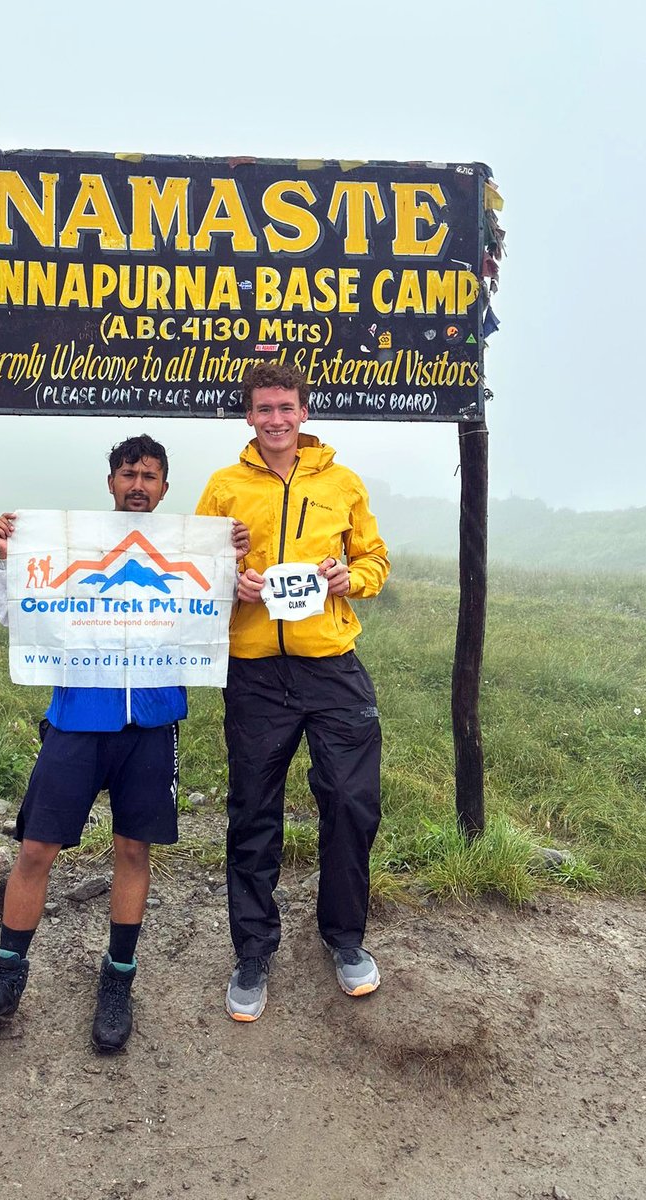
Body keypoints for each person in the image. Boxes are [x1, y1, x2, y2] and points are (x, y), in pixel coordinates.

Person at [0, 434, 248, 1052]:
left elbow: (213, 624)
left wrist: (231, 565)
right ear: (111, 483)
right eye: (127, 474)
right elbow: (21, 618)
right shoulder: (71, 545)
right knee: (36, 848)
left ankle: (117, 982)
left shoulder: (189, 548)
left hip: (151, 720)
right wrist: (11, 558)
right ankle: (5, 979)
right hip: (76, 716)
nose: (138, 485)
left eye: (150, 476)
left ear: (165, 488)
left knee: (133, 850)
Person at [196, 363, 390, 1022]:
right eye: (263, 409)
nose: (275, 419)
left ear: (304, 412)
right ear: (248, 416)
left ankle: (345, 940)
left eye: (286, 407)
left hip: (331, 666)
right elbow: (195, 567)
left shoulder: (343, 482)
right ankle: (252, 953)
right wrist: (232, 581)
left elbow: (376, 560)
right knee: (252, 810)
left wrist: (348, 578)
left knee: (350, 801)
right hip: (255, 671)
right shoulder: (224, 487)